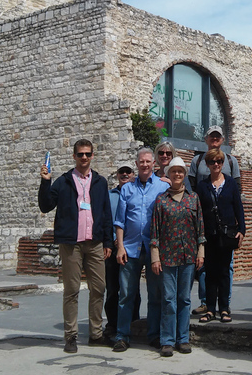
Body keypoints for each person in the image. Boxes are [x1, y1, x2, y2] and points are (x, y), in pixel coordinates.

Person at [38, 139, 113, 354]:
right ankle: (70, 336)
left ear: (92, 156)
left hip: (95, 242)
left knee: (98, 288)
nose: (84, 158)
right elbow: (45, 206)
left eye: (88, 154)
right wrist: (45, 182)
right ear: (74, 156)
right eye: (80, 154)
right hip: (72, 244)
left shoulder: (100, 182)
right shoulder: (63, 182)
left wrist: (108, 241)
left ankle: (95, 334)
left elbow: (106, 213)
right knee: (71, 291)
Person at [112, 147, 170, 352]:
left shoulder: (162, 188)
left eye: (148, 161)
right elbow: (119, 221)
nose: (145, 165)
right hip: (130, 247)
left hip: (154, 249)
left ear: (154, 164)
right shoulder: (127, 189)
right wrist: (119, 247)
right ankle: (122, 335)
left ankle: (153, 334)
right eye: (141, 162)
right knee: (126, 294)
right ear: (136, 164)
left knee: (155, 294)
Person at [150, 157, 205, 357]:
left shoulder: (193, 199)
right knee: (168, 299)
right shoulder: (161, 200)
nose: (177, 175)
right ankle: (167, 340)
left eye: (180, 172)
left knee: (184, 299)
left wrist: (201, 252)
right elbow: (154, 231)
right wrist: (155, 257)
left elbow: (200, 228)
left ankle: (183, 339)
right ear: (169, 174)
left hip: (189, 256)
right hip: (167, 257)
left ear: (184, 175)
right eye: (173, 172)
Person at [187, 125, 240, 315]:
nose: (214, 140)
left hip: (225, 227)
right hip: (206, 223)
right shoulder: (197, 160)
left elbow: (237, 192)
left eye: (218, 136)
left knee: (227, 267)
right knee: (205, 267)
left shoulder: (231, 161)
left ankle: (225, 304)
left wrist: (238, 226)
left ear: (222, 139)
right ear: (206, 139)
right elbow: (192, 189)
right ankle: (206, 302)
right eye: (212, 137)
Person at [196, 148, 245, 324]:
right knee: (210, 273)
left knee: (224, 272)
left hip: (227, 234)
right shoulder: (202, 186)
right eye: (212, 162)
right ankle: (210, 309)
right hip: (209, 235)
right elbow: (199, 211)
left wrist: (242, 230)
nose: (215, 165)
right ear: (207, 165)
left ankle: (224, 308)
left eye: (218, 162)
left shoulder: (230, 183)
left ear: (223, 164)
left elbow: (238, 207)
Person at [104, 165, 137, 336]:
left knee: (132, 288)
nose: (124, 175)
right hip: (112, 249)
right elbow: (104, 220)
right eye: (121, 172)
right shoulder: (109, 196)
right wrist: (109, 242)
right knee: (112, 288)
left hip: (130, 248)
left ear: (133, 175)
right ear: (117, 176)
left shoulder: (136, 193)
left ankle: (134, 321)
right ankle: (112, 322)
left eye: (128, 172)